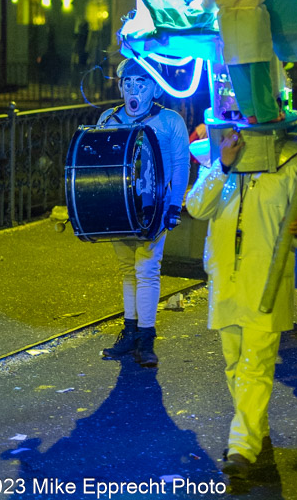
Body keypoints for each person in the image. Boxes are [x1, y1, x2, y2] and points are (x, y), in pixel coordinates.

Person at [186, 127, 297, 479]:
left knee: (255, 365)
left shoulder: (292, 159)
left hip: (268, 278)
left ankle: (241, 448)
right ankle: (255, 429)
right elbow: (197, 207)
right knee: (234, 363)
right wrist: (223, 166)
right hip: (226, 276)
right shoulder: (221, 153)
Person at [98, 57, 191, 368]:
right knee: (128, 272)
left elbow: (180, 166)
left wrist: (175, 205)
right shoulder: (108, 119)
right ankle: (130, 333)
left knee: (147, 270)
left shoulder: (170, 121)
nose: (133, 89)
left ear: (155, 88)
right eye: (128, 83)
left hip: (155, 210)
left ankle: (145, 339)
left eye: (141, 83)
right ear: (121, 87)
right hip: (119, 210)